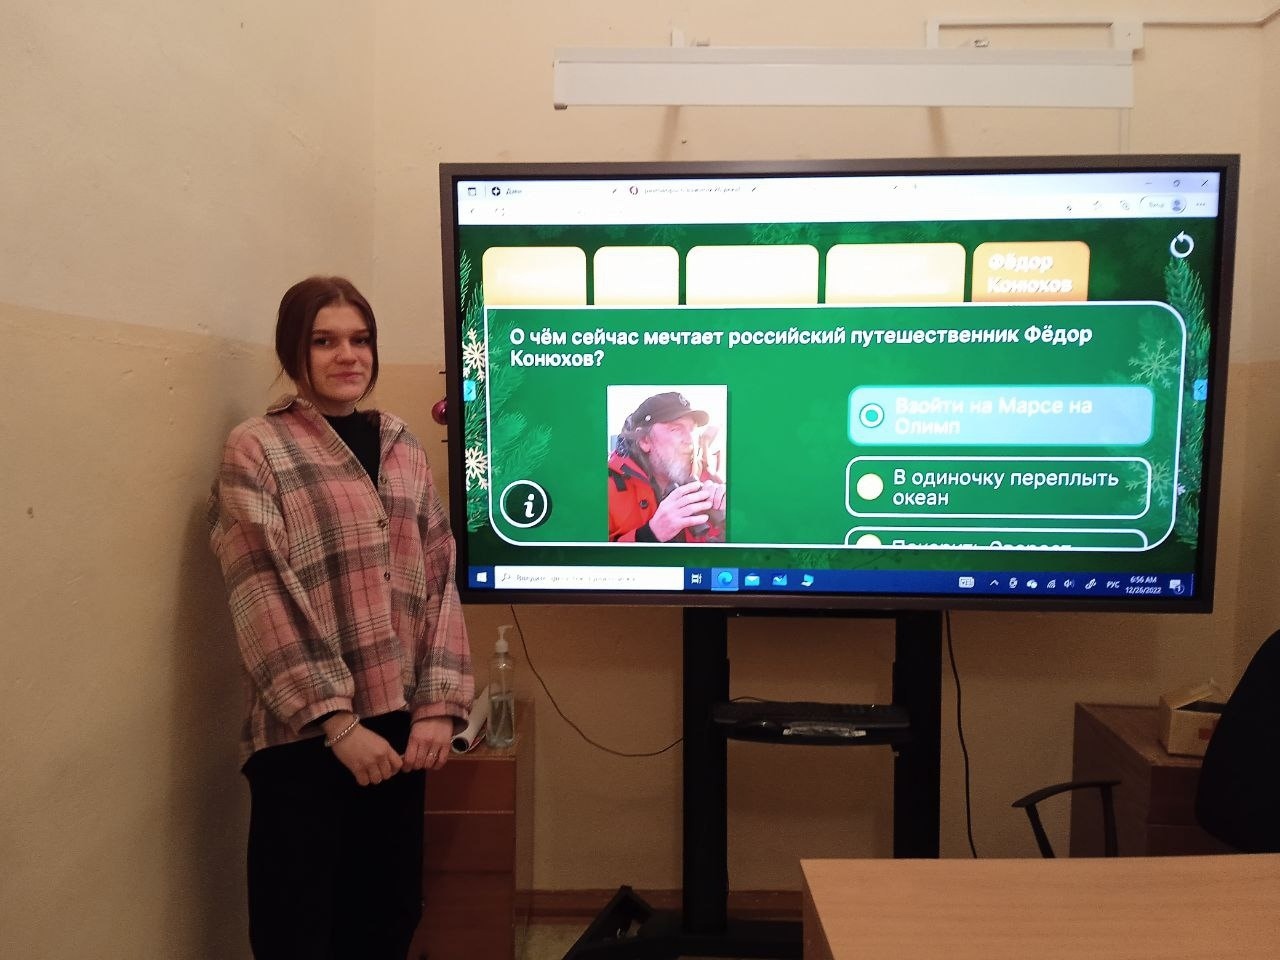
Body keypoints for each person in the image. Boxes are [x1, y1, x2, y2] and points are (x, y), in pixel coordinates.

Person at [207, 276, 473, 960]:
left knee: (386, 920)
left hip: (399, 733)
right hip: (304, 739)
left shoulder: (402, 443)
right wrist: (338, 723)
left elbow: (438, 572)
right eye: (324, 341)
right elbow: (259, 590)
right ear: (293, 351)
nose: (347, 355)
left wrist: (438, 709)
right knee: (299, 932)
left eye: (360, 340)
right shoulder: (256, 448)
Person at [608, 390, 727, 542]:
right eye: (676, 429)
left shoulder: (710, 480)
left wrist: (730, 520)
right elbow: (587, 554)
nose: (690, 440)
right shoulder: (605, 491)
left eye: (692, 430)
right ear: (645, 440)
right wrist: (650, 535)